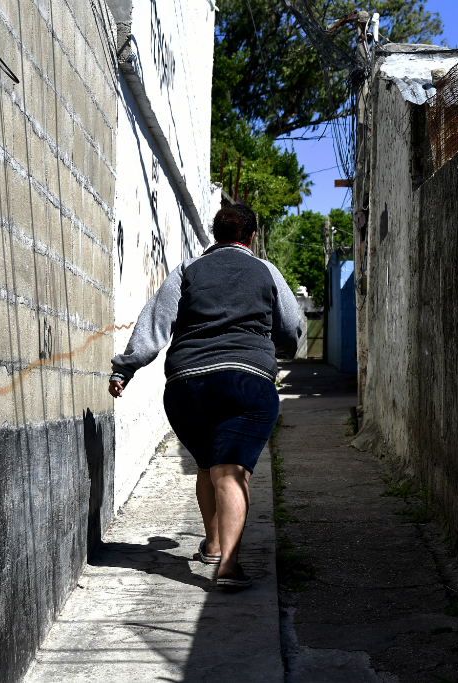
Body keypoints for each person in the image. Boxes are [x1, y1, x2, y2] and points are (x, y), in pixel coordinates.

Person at [109, 204, 303, 589]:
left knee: (207, 463)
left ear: (215, 236)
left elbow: (155, 321)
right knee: (230, 470)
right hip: (247, 383)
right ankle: (228, 566)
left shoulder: (187, 270)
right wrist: (280, 350)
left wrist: (124, 369)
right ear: (251, 237)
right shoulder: (266, 271)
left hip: (188, 387)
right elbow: (290, 327)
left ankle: (213, 546)